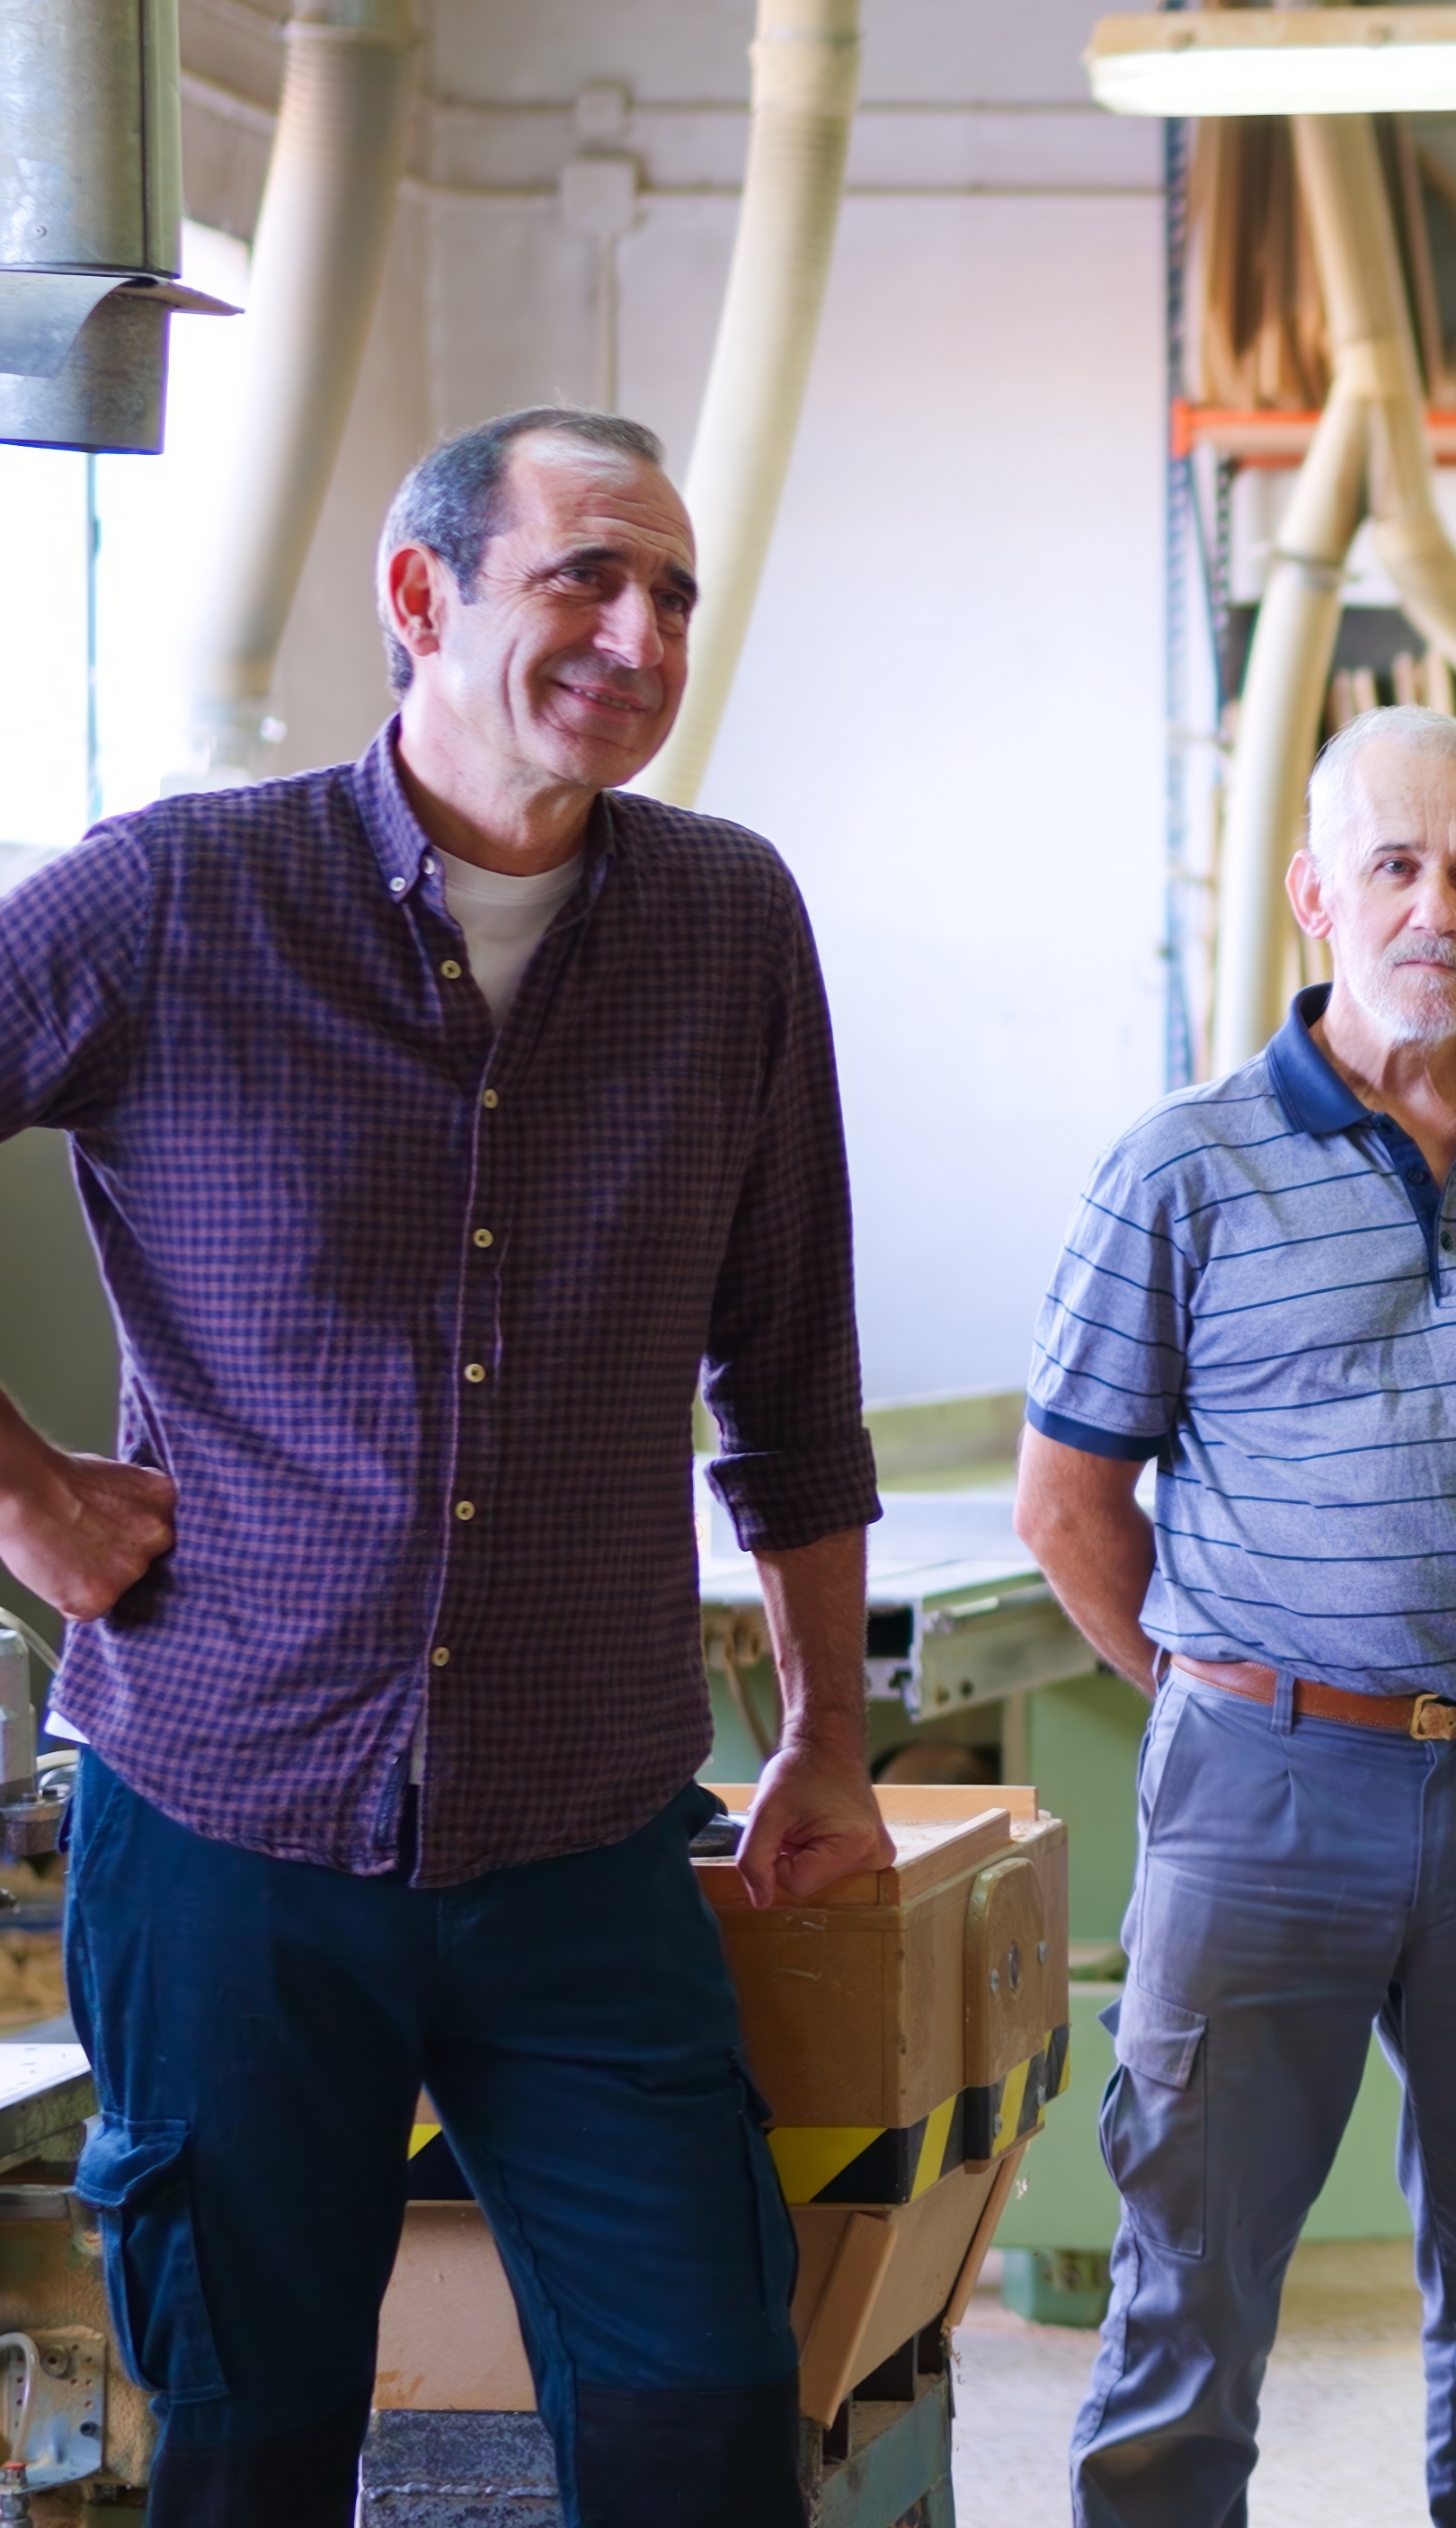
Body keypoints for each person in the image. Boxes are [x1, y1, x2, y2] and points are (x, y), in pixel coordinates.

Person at [0, 405, 883, 2522]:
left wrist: (830, 1727)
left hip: (582, 1834)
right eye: (586, 572)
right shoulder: (175, 897)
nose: (643, 628)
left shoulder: (727, 921)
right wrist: (22, 1488)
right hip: (229, 1817)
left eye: (671, 589)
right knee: (251, 2429)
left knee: (698, 2401)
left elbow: (790, 1358)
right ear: (421, 598)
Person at [1017, 706, 1456, 2528]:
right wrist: (1234, 1681)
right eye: (1392, 863)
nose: (1430, 905)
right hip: (1262, 1796)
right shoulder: (1180, 1164)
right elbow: (1069, 1501)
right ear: (1314, 892)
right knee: (1191, 2276)